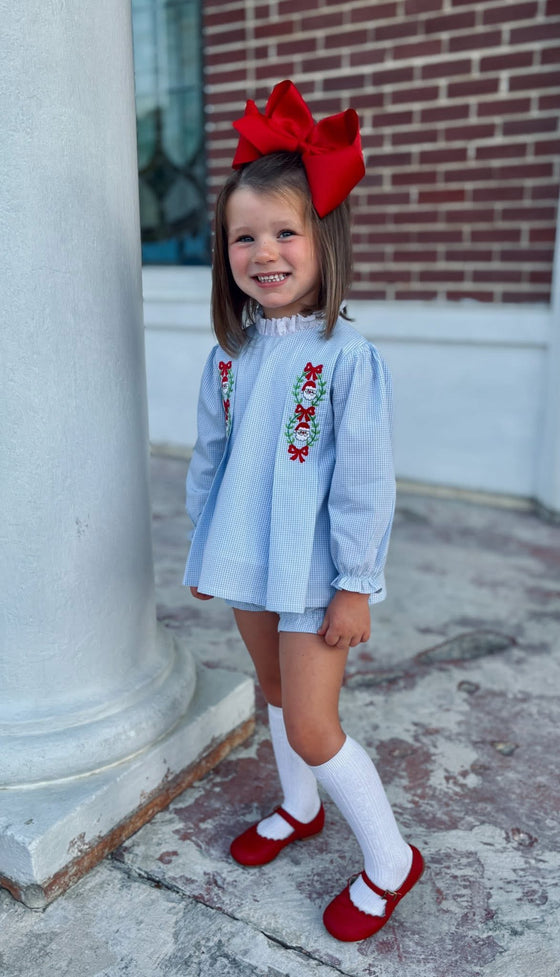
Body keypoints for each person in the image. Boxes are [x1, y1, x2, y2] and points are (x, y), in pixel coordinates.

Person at [184, 80, 423, 942]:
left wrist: (357, 582)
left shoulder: (347, 357)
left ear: (323, 239)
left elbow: (364, 481)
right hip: (246, 558)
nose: (265, 251)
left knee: (317, 723)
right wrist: (205, 548)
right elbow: (212, 460)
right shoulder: (228, 355)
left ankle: (391, 858)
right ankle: (298, 806)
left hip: (317, 573)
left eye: (285, 231)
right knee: (276, 691)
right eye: (245, 236)